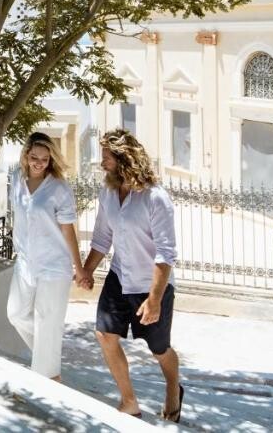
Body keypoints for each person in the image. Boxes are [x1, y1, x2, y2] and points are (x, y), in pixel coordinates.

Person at [78, 129, 183, 422]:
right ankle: (129, 401)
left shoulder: (155, 198)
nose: (102, 163)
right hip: (119, 276)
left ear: (125, 159)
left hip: (151, 285)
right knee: (104, 334)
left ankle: (173, 387)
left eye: (107, 158)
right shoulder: (108, 193)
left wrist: (154, 299)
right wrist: (87, 270)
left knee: (159, 349)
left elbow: (165, 253)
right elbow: (102, 237)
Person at [6, 131, 86, 382]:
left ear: (51, 160)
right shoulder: (16, 179)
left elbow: (68, 230)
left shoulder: (59, 188)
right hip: (25, 262)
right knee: (16, 314)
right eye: (34, 157)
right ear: (26, 156)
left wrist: (79, 268)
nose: (39, 163)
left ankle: (49, 377)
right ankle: (48, 358)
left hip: (54, 265)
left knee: (46, 321)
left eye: (44, 159)